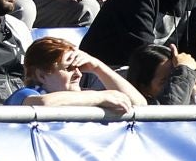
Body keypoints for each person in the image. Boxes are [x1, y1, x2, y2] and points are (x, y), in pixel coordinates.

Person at [8, 36, 144, 112]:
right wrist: (100, 97)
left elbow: (139, 105)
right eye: (69, 68)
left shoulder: (81, 97)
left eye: (79, 67)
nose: (78, 74)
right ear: (41, 75)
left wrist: (97, 66)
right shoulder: (24, 95)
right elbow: (43, 104)